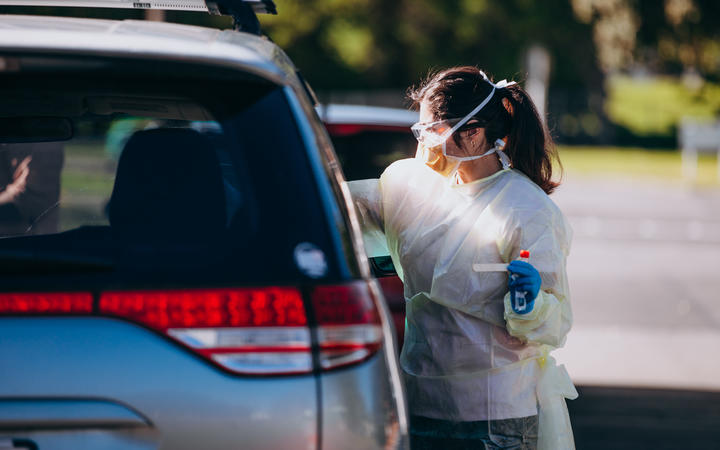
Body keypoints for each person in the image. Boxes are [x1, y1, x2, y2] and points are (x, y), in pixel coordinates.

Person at [349, 66, 577, 449]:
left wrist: (531, 305)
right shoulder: (414, 189)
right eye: (419, 131)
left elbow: (553, 324)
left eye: (432, 132)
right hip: (422, 405)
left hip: (495, 415)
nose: (423, 145)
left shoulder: (527, 210)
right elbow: (340, 212)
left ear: (473, 133)